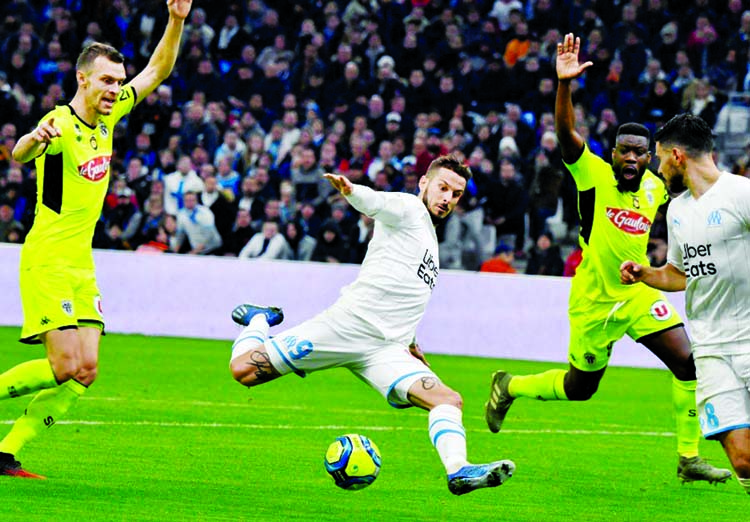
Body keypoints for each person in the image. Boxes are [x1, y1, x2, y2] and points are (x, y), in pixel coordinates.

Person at [484, 34, 731, 485]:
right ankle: (510, 386)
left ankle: (689, 456)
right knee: (581, 390)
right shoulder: (592, 174)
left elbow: (694, 179)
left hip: (636, 293)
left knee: (688, 362)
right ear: (613, 153)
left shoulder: (658, 187)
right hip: (595, 301)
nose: (633, 158)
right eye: (625, 151)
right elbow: (565, 134)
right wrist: (564, 86)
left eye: (640, 151)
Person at [229, 155, 514, 495]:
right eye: (442, 188)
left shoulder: (429, 243)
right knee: (244, 371)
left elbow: (404, 293)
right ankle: (258, 319)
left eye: (456, 194)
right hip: (345, 327)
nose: (447, 198)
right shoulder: (408, 208)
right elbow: (377, 202)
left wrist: (410, 343)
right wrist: (352, 191)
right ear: (424, 183)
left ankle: (459, 471)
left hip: (386, 349)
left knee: (447, 400)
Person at [4, 0, 193, 478]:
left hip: (81, 265)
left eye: (118, 80)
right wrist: (34, 139)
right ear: (82, 79)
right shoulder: (60, 123)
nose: (116, 88)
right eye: (107, 80)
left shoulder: (108, 118)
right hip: (47, 258)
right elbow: (22, 153)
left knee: (85, 371)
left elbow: (157, 70)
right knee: (64, 365)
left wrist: (176, 20)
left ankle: (6, 452)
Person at [621, 113, 750, 494]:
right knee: (742, 459)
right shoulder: (678, 211)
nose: (658, 168)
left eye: (659, 158)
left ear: (677, 155)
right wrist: (647, 273)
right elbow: (681, 273)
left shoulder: (740, 194)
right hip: (709, 348)